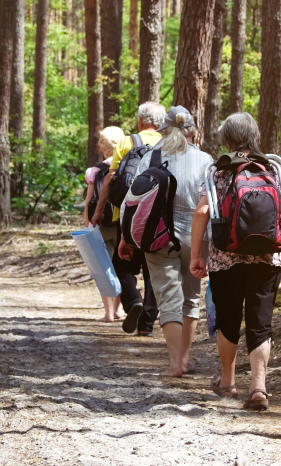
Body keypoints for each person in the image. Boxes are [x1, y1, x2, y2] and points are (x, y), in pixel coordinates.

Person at [189, 112, 281, 411]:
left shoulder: (217, 172)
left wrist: (196, 255)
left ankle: (228, 382)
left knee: (228, 320)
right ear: (255, 137)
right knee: (261, 323)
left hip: (225, 258)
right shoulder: (272, 167)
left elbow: (202, 212)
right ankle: (258, 387)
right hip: (268, 257)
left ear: (226, 139)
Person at [118, 105, 213, 377]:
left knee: (168, 296)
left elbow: (131, 202)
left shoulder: (152, 157)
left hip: (157, 236)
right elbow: (211, 205)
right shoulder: (205, 160)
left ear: (164, 130)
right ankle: (185, 358)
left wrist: (127, 239)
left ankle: (176, 364)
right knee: (190, 297)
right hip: (197, 238)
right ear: (193, 130)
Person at [91, 102, 166, 336]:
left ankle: (133, 301)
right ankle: (147, 323)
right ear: (160, 122)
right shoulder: (168, 143)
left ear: (140, 121)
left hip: (128, 215)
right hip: (159, 218)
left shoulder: (127, 142)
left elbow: (111, 177)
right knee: (152, 268)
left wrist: (99, 210)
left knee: (121, 264)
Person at [83, 126, 126, 322]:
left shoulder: (94, 171)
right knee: (121, 266)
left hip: (100, 225)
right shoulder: (127, 166)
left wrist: (87, 224)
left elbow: (88, 200)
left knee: (103, 267)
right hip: (122, 225)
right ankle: (119, 310)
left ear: (102, 147)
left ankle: (108, 313)